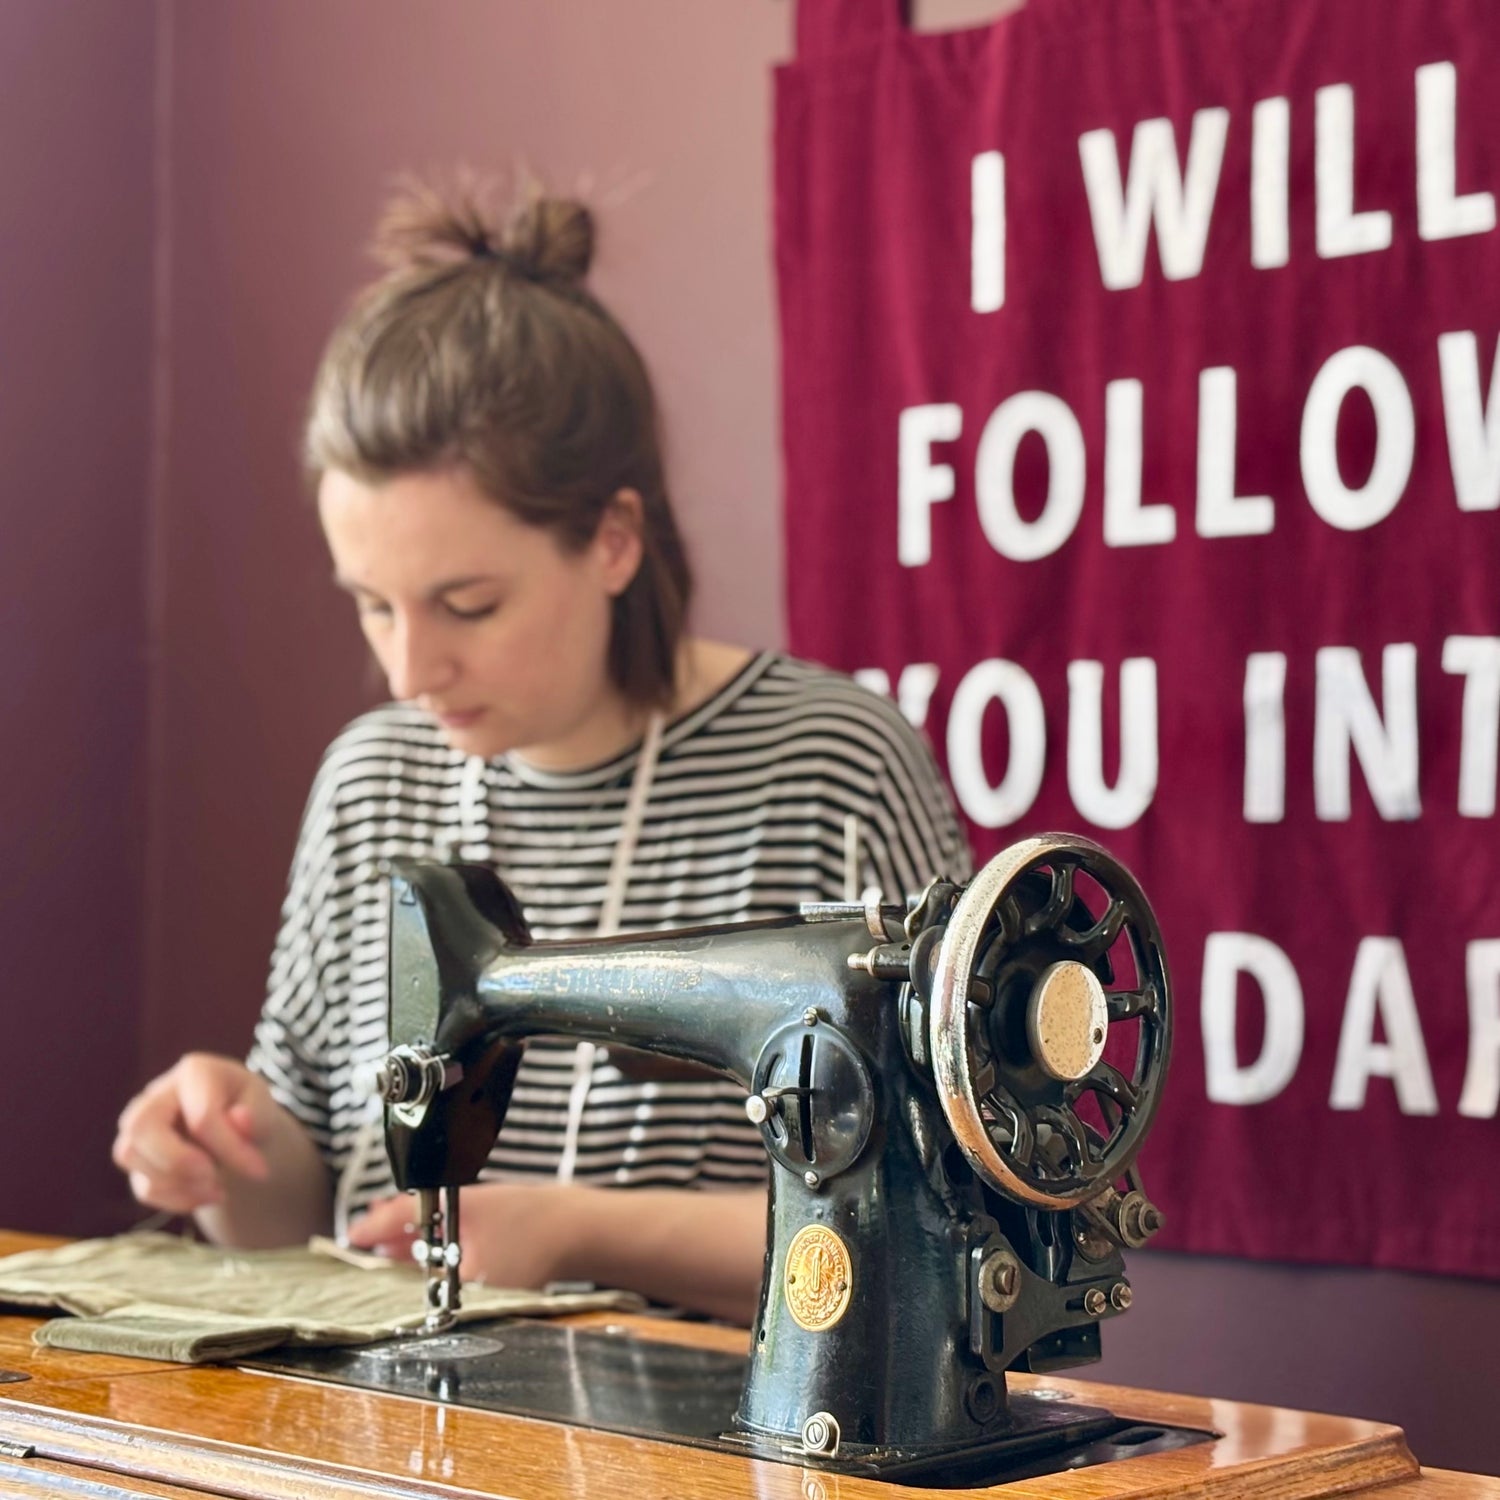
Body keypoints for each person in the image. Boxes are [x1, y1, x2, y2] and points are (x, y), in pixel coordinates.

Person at [112, 179, 972, 1324]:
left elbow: (953, 1206)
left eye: (467, 604)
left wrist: (577, 1226)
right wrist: (221, 1146)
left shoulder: (830, 769)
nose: (411, 670)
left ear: (614, 540)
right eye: (372, 605)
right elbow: (306, 1209)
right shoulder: (375, 780)